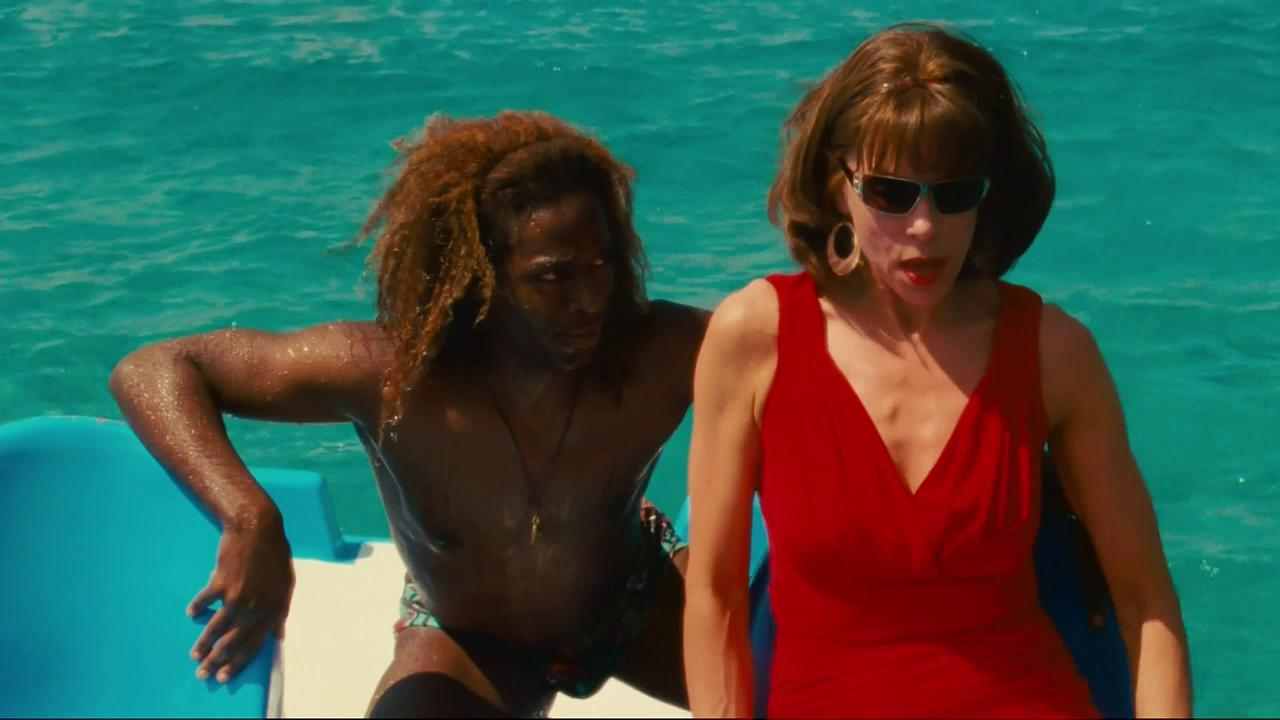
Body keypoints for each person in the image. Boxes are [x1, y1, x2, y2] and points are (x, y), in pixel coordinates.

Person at [110, 111, 708, 717]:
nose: (588, 299)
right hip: (470, 639)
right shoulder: (394, 378)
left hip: (627, 602)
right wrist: (249, 517)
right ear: (481, 276)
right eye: (551, 276)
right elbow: (155, 368)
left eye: (602, 264)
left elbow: (768, 345)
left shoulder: (655, 355)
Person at [683, 22, 1192, 718]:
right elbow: (714, 597)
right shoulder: (755, 339)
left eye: (954, 194)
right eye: (891, 194)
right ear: (838, 185)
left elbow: (1147, 604)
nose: (924, 226)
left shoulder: (1052, 352)